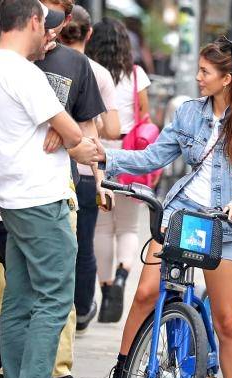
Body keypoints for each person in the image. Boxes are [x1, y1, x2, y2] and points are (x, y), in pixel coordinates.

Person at [87, 37, 232, 378]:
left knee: (226, 321)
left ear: (227, 78)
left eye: (205, 72)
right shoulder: (189, 114)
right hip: (181, 214)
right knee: (145, 295)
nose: (198, 77)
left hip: (225, 226)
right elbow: (155, 157)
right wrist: (108, 158)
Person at [0, 0, 98, 378]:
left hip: (12, 197)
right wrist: (77, 142)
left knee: (20, 296)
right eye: (45, 25)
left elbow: (62, 128)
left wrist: (69, 136)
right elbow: (71, 130)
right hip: (40, 199)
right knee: (54, 295)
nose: (48, 33)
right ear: (31, 20)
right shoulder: (22, 71)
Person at [34, 0, 108, 378]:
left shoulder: (76, 66)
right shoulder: (10, 65)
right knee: (10, 285)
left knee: (60, 282)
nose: (50, 21)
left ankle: (58, 370)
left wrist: (99, 179)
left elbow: (87, 128)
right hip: (11, 193)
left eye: (59, 12)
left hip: (60, 186)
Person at [59, 5, 120, 332]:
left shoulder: (44, 64)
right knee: (84, 244)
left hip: (56, 169)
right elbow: (110, 128)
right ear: (89, 34)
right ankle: (81, 311)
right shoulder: (98, 72)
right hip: (85, 171)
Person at [85, 18, 151, 324]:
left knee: (101, 228)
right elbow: (146, 115)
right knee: (128, 227)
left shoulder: (89, 72)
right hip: (129, 155)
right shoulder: (136, 75)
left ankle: (106, 286)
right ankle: (124, 275)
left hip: (95, 151)